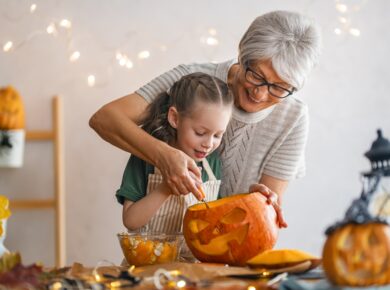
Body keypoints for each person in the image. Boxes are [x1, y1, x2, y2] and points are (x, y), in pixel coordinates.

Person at [90, 10, 321, 227]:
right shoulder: (193, 83)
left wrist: (261, 201)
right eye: (257, 75)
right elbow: (105, 119)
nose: (260, 94)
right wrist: (164, 157)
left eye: (279, 88)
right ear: (243, 56)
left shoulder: (293, 118)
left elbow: (264, 222)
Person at [115, 72, 234, 234]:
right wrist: (166, 188)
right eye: (200, 132)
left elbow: (218, 222)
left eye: (217, 135)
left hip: (195, 260)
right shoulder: (145, 156)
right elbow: (131, 221)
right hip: (148, 258)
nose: (208, 144)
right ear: (175, 118)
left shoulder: (212, 162)